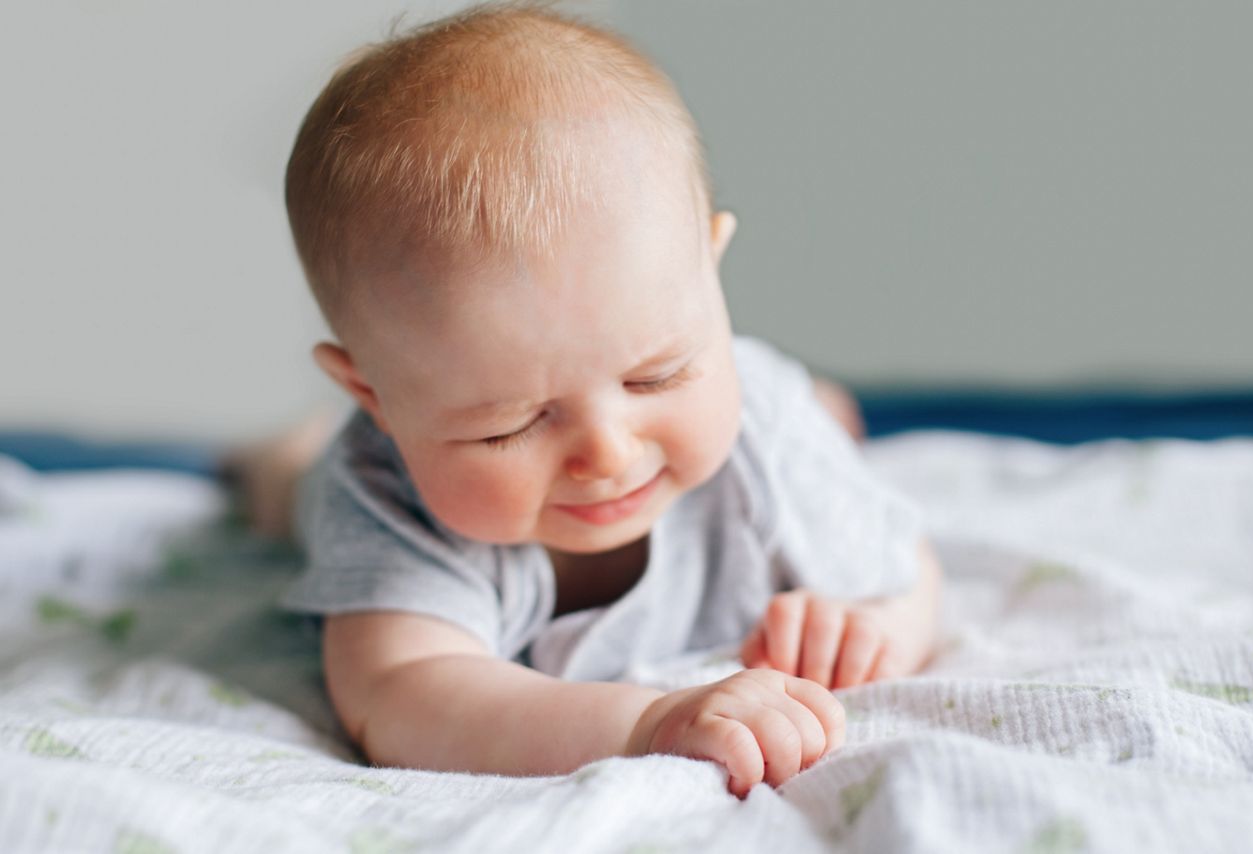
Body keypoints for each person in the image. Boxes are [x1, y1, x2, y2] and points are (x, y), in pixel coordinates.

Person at [275, 2, 943, 799]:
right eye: (509, 424)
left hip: (776, 404)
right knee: (291, 496)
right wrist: (643, 725)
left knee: (802, 423)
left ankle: (823, 407)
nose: (609, 452)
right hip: (326, 482)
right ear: (374, 395)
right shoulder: (387, 498)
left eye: (655, 377)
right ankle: (274, 462)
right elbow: (402, 694)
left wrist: (875, 633)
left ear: (712, 266)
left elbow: (906, 560)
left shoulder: (760, 422)